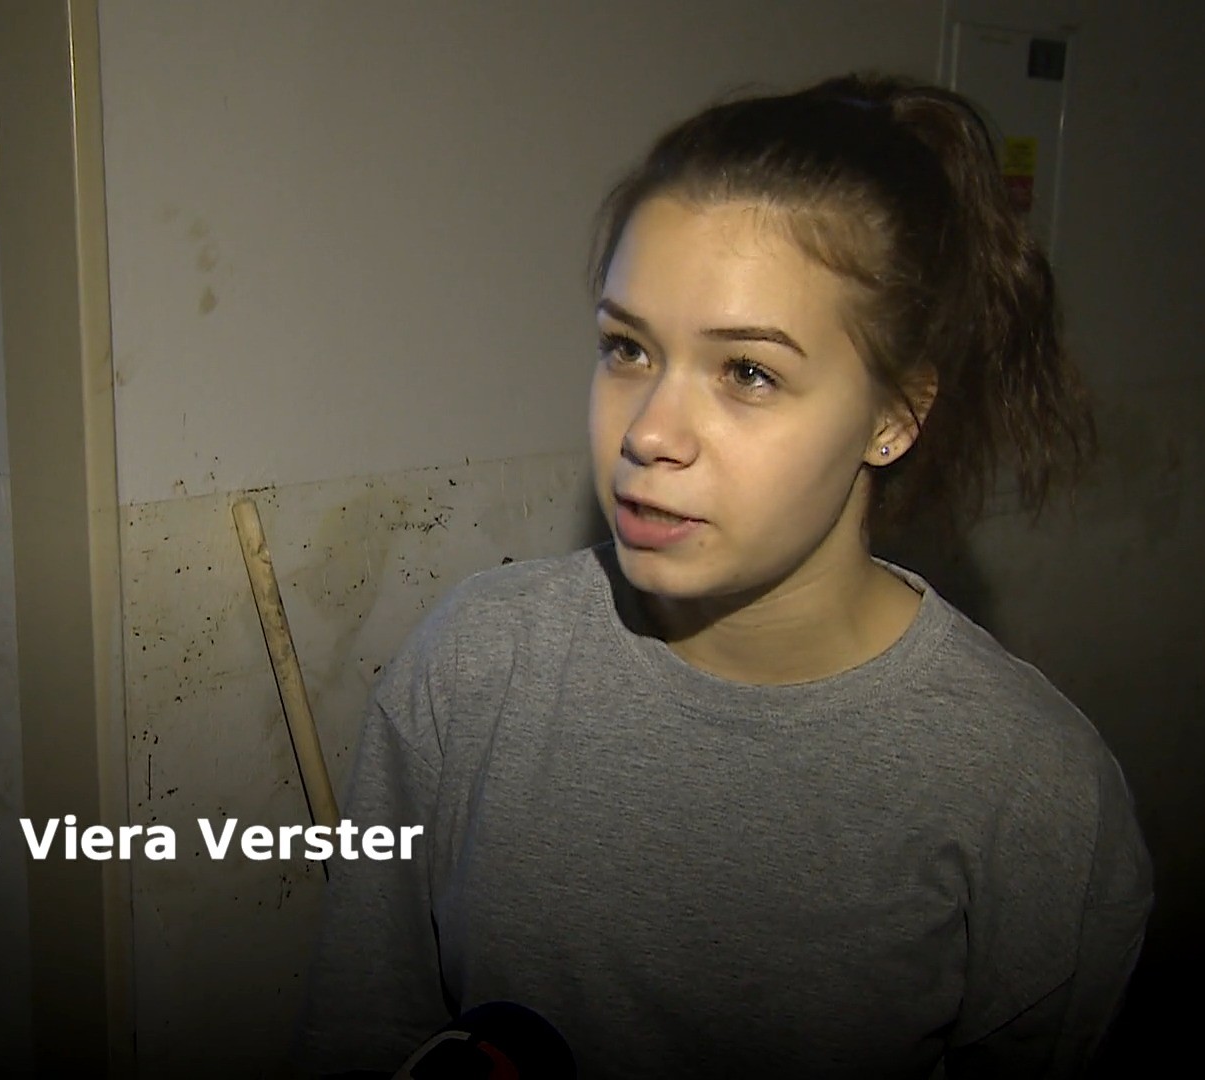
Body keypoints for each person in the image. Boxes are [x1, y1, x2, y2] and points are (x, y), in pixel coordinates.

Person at [292, 71, 1154, 1079]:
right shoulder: (474, 670)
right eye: (627, 348)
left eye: (748, 372)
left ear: (895, 416)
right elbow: (363, 1031)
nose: (650, 432)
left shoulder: (1027, 789)